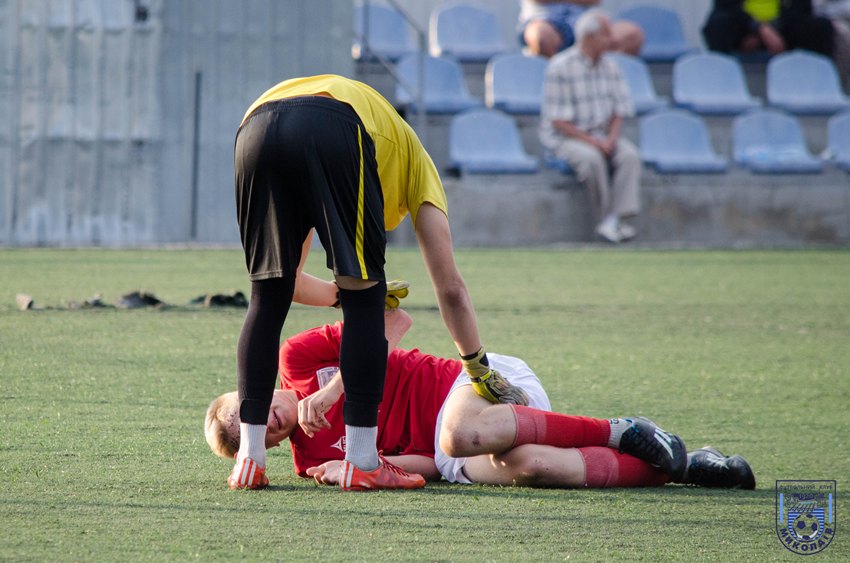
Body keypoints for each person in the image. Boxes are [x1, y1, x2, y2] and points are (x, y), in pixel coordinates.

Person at [231, 75, 528, 491]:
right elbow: (451, 289)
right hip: (336, 124)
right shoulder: (418, 166)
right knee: (364, 295)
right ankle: (363, 460)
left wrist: (335, 296)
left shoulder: (378, 143)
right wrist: (478, 368)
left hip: (254, 125)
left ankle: (249, 459)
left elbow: (293, 284)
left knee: (267, 295)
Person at [206, 308, 756, 491]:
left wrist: (335, 387)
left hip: (470, 385)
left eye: (251, 410)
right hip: (454, 451)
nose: (270, 422)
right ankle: (684, 467)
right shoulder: (311, 462)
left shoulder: (300, 358)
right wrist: (367, 466)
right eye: (262, 433)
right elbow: (429, 470)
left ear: (250, 390)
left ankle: (620, 428)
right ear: (268, 445)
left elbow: (394, 320)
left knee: (457, 432)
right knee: (532, 466)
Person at [539, 10, 641, 244]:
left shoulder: (612, 67)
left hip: (604, 136)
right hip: (566, 138)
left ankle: (616, 218)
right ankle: (606, 219)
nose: (613, 40)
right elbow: (558, 121)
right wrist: (595, 142)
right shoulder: (560, 66)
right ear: (590, 37)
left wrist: (611, 139)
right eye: (606, 34)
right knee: (592, 159)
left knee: (630, 156)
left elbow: (620, 110)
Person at [702, 0, 834, 57]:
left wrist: (773, 29)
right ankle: (722, 79)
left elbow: (802, 9)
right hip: (744, 30)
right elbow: (726, 6)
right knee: (718, 23)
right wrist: (759, 29)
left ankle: (813, 80)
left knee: (821, 26)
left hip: (781, 31)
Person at [518, 0, 644, 58]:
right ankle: (552, 84)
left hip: (586, 20)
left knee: (632, 35)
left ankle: (607, 88)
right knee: (542, 36)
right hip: (544, 20)